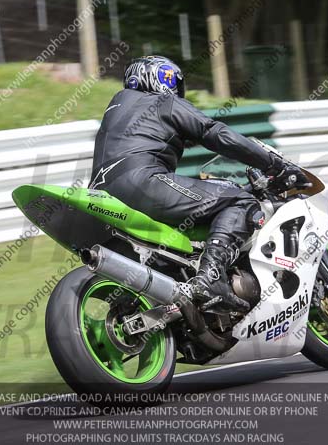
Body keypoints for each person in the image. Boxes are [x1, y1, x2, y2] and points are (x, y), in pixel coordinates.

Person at [90, 56, 309, 313]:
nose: (177, 92)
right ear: (161, 78)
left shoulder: (116, 110)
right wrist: (274, 164)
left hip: (101, 192)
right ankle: (210, 278)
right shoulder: (163, 102)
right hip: (142, 183)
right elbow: (213, 132)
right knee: (239, 200)